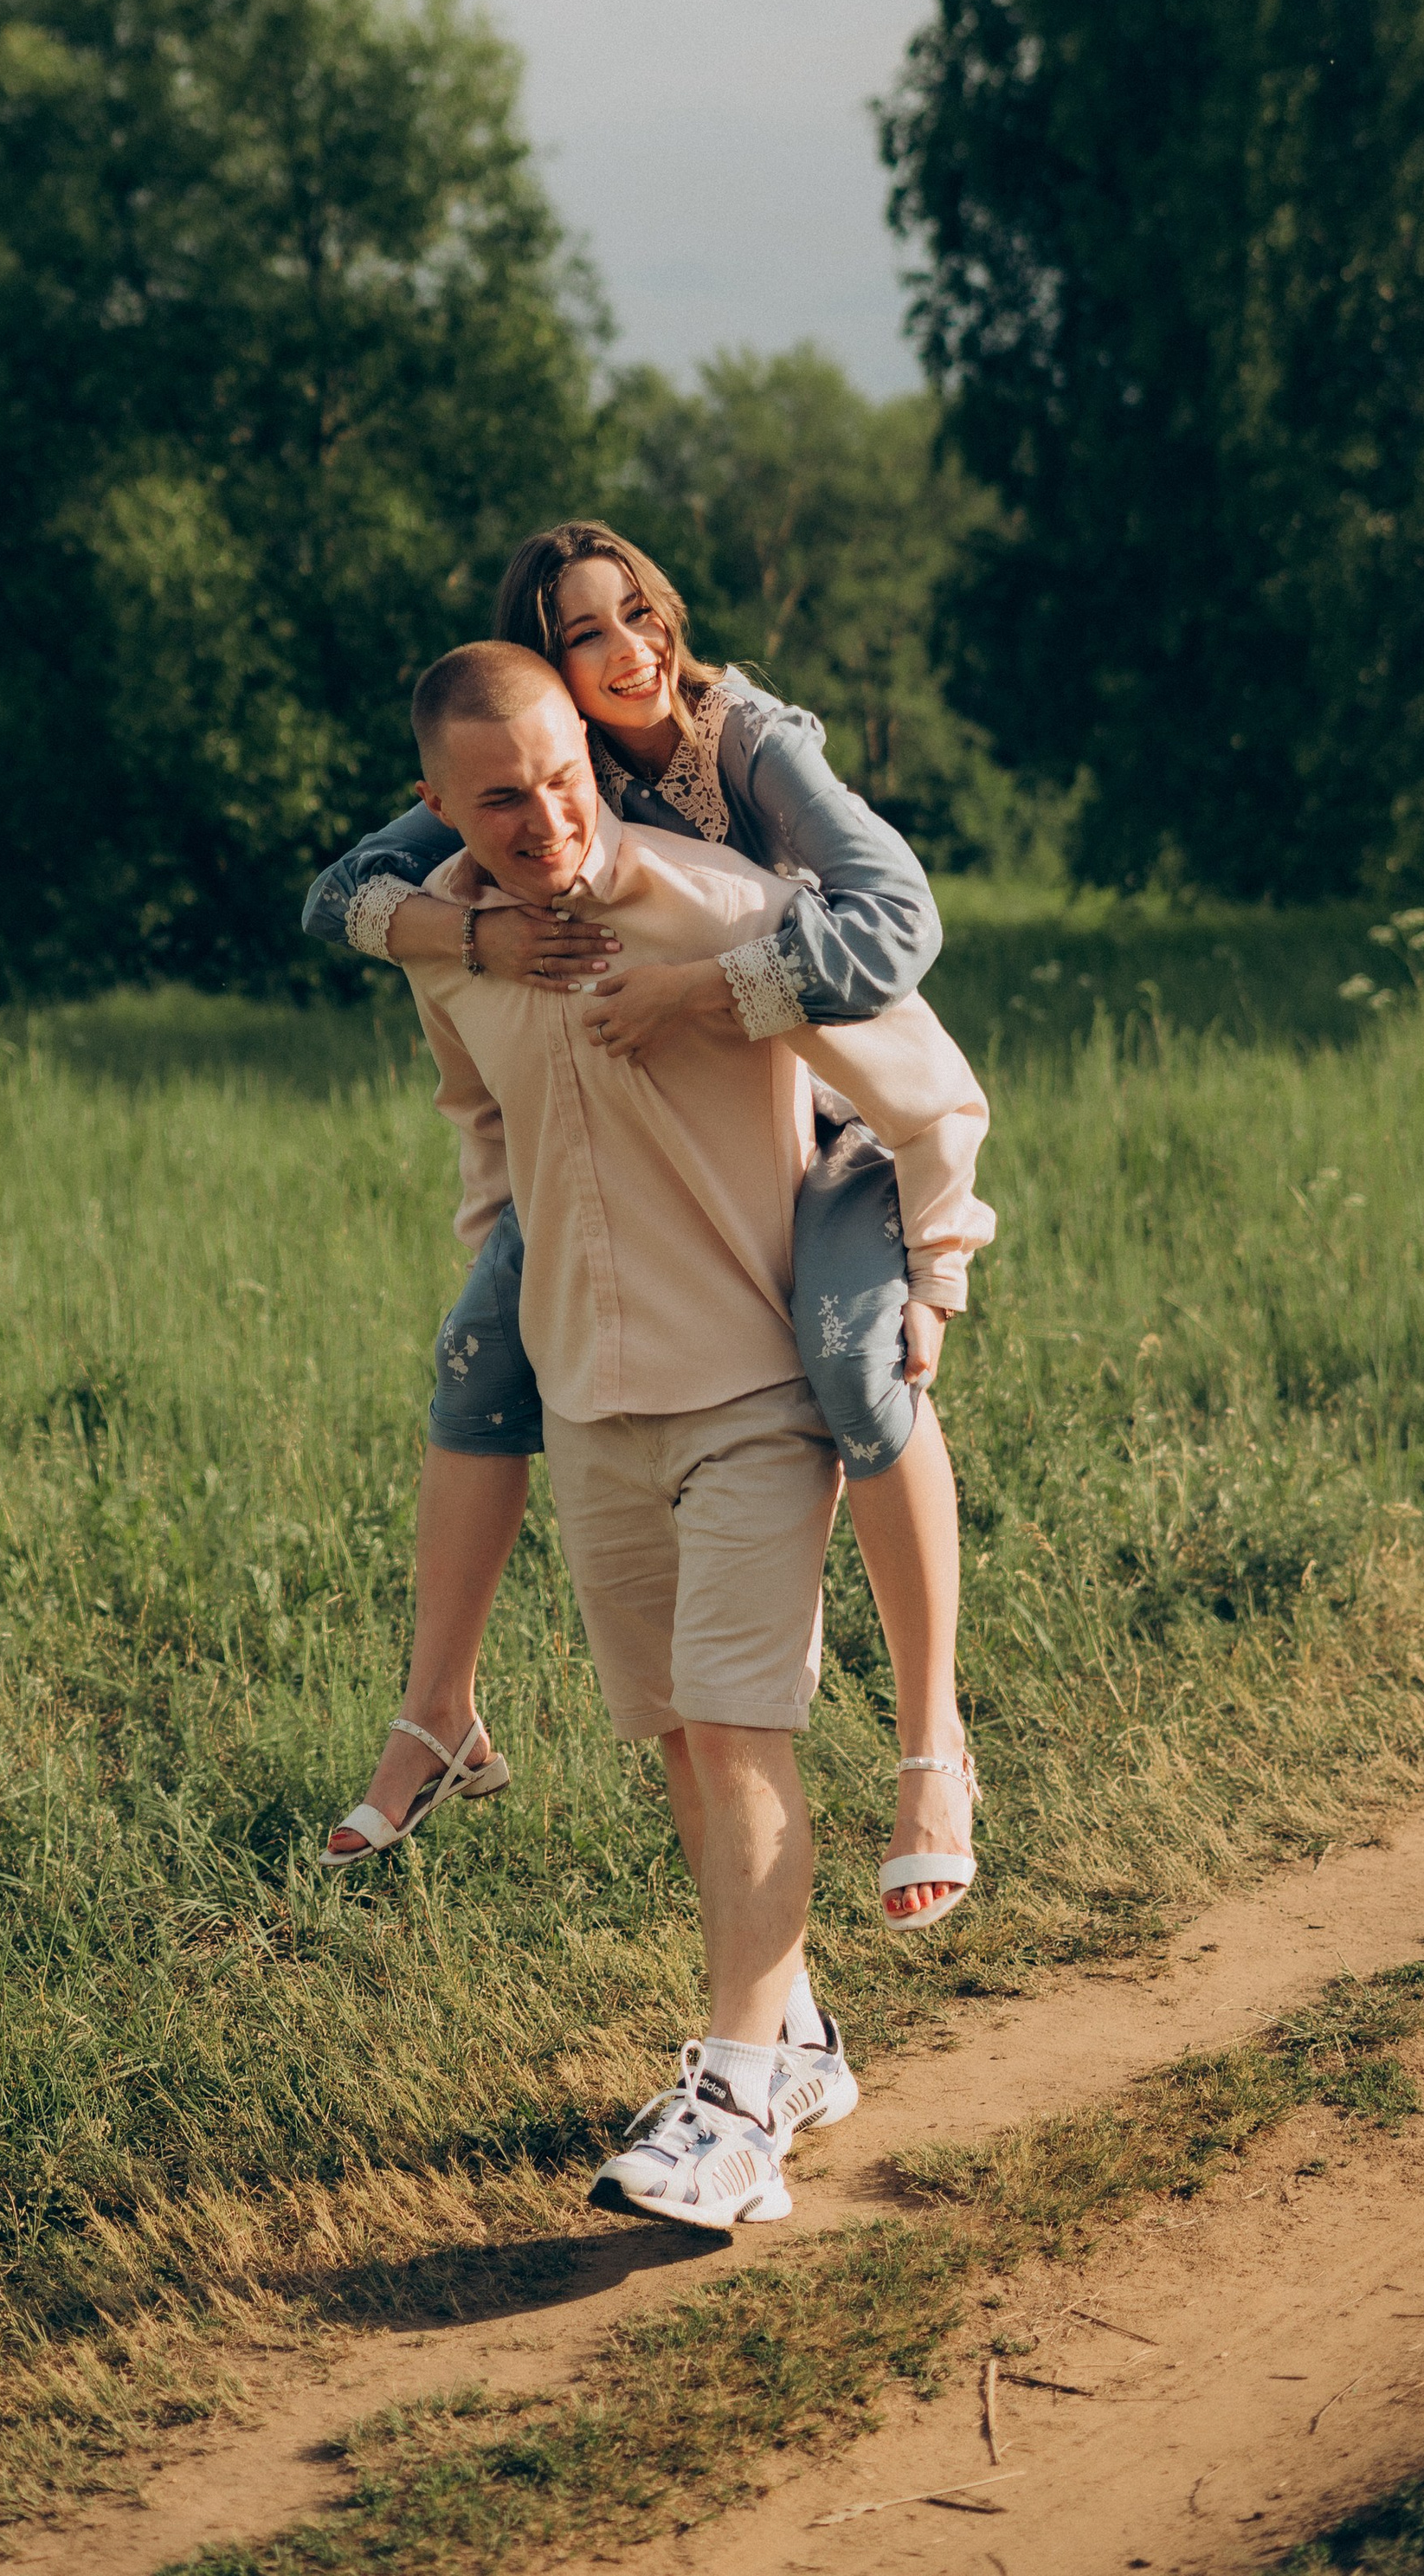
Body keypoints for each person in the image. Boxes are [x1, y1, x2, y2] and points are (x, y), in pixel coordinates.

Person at [305, 521, 981, 1927]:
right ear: (543, 669)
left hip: (833, 1104)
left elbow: (900, 926)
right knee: (478, 1363)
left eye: (639, 614)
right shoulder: (533, 770)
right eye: (583, 634)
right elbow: (342, 901)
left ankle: (933, 1745)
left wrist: (711, 990)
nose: (627, 653)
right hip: (672, 1135)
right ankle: (439, 1712)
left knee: (854, 1366)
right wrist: (474, 938)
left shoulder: (748, 741)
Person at [395, 639, 993, 2225]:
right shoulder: (451, 950)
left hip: (749, 1392)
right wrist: (509, 1269)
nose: (545, 821)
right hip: (590, 1401)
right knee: (675, 1735)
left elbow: (934, 1093)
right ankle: (794, 2042)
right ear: (440, 807)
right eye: (501, 802)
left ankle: (729, 2115)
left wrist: (934, 1272)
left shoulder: (725, 910)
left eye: (564, 782)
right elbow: (479, 1116)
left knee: (737, 1734)